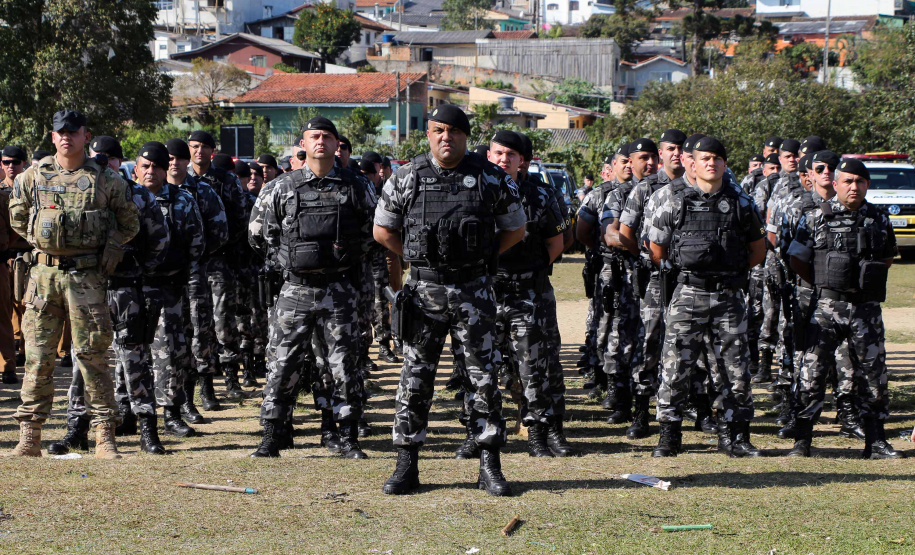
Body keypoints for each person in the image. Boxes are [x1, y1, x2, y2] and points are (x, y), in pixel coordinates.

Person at [373, 105, 525, 496]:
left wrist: (482, 261)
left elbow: (515, 228)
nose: (446, 137)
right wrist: (415, 259)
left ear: (466, 136)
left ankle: (489, 464)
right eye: (439, 130)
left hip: (473, 292)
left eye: (455, 131)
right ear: (428, 134)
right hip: (423, 293)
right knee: (415, 380)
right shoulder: (406, 176)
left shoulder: (490, 176)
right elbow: (382, 230)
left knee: (483, 379)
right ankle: (407, 464)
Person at [8, 110, 140, 458]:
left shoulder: (106, 179)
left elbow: (130, 222)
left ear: (85, 135)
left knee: (93, 356)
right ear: (52, 137)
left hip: (86, 278)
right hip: (43, 279)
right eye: (59, 132)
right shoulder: (33, 176)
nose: (66, 137)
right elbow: (18, 217)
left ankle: (104, 437)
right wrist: (46, 245)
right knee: (37, 357)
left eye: (73, 131)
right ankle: (29, 436)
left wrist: (110, 246)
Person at [248, 116, 376, 459]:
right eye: (313, 136)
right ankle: (273, 435)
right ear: (302, 145)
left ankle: (347, 436)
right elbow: (259, 234)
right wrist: (289, 261)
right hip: (295, 290)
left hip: (339, 290)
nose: (320, 142)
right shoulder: (281, 187)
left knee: (344, 366)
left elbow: (371, 233)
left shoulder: (357, 186)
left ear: (337, 145)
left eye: (327, 137)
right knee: (282, 363)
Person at [50, 136, 171, 455]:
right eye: (97, 158)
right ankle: (77, 430)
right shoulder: (79, 194)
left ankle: (148, 432)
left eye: (110, 159)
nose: (104, 163)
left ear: (121, 163)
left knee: (135, 359)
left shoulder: (139, 196)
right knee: (83, 359)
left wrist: (135, 271)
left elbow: (159, 241)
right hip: (88, 289)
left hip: (126, 288)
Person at [647, 136, 766, 458]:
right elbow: (656, 248)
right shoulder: (672, 199)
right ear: (692, 163)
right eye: (705, 158)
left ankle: (736, 435)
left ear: (725, 165)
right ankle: (669, 436)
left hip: (729, 297)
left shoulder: (741, 202)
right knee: (675, 369)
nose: (711, 163)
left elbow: (757, 249)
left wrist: (727, 271)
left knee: (735, 370)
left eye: (717, 159)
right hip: (688, 294)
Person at [787, 158, 904, 459]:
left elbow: (888, 257)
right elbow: (797, 260)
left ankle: (876, 440)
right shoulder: (815, 216)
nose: (854, 187)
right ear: (835, 183)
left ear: (867, 185)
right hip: (825, 307)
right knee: (812, 373)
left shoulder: (878, 218)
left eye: (860, 181)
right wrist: (827, 283)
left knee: (873, 374)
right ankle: (803, 439)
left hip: (865, 308)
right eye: (848, 181)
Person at [487, 130, 567, 457]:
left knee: (540, 362)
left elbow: (556, 242)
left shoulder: (541, 195)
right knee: (484, 364)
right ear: (488, 157)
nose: (503, 159)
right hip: (487, 292)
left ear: (523, 162)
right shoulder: (474, 192)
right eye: (498, 153)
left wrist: (531, 269)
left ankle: (547, 431)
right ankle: (484, 432)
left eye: (511, 155)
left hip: (530, 291)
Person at [618, 129, 686, 439]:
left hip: (689, 278)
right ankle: (641, 412)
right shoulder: (646, 188)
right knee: (649, 341)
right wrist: (645, 260)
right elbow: (625, 231)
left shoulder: (699, 187)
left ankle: (696, 407)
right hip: (656, 277)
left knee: (691, 344)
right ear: (662, 154)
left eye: (681, 148)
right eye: (671, 148)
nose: (676, 153)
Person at [166, 138, 229, 417]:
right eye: (170, 158)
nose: (175, 163)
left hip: (195, 274)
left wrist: (196, 253)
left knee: (197, 335)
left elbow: (220, 230)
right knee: (168, 339)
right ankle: (172, 401)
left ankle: (194, 396)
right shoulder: (152, 192)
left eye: (180, 158)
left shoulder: (203, 190)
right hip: (163, 279)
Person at [187, 131, 249, 401]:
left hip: (220, 261)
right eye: (194, 147)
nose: (199, 151)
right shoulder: (182, 179)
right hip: (191, 264)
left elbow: (240, 217)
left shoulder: (226, 179)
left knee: (224, 322)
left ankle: (230, 377)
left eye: (204, 147)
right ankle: (204, 383)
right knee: (197, 324)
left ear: (213, 151)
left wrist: (219, 243)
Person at [0, 146, 29, 385]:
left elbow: (16, 230)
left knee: (21, 308)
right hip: (7, 256)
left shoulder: (30, 190)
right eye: (6, 162)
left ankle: (11, 363)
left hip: (22, 257)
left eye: (15, 162)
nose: (11, 166)